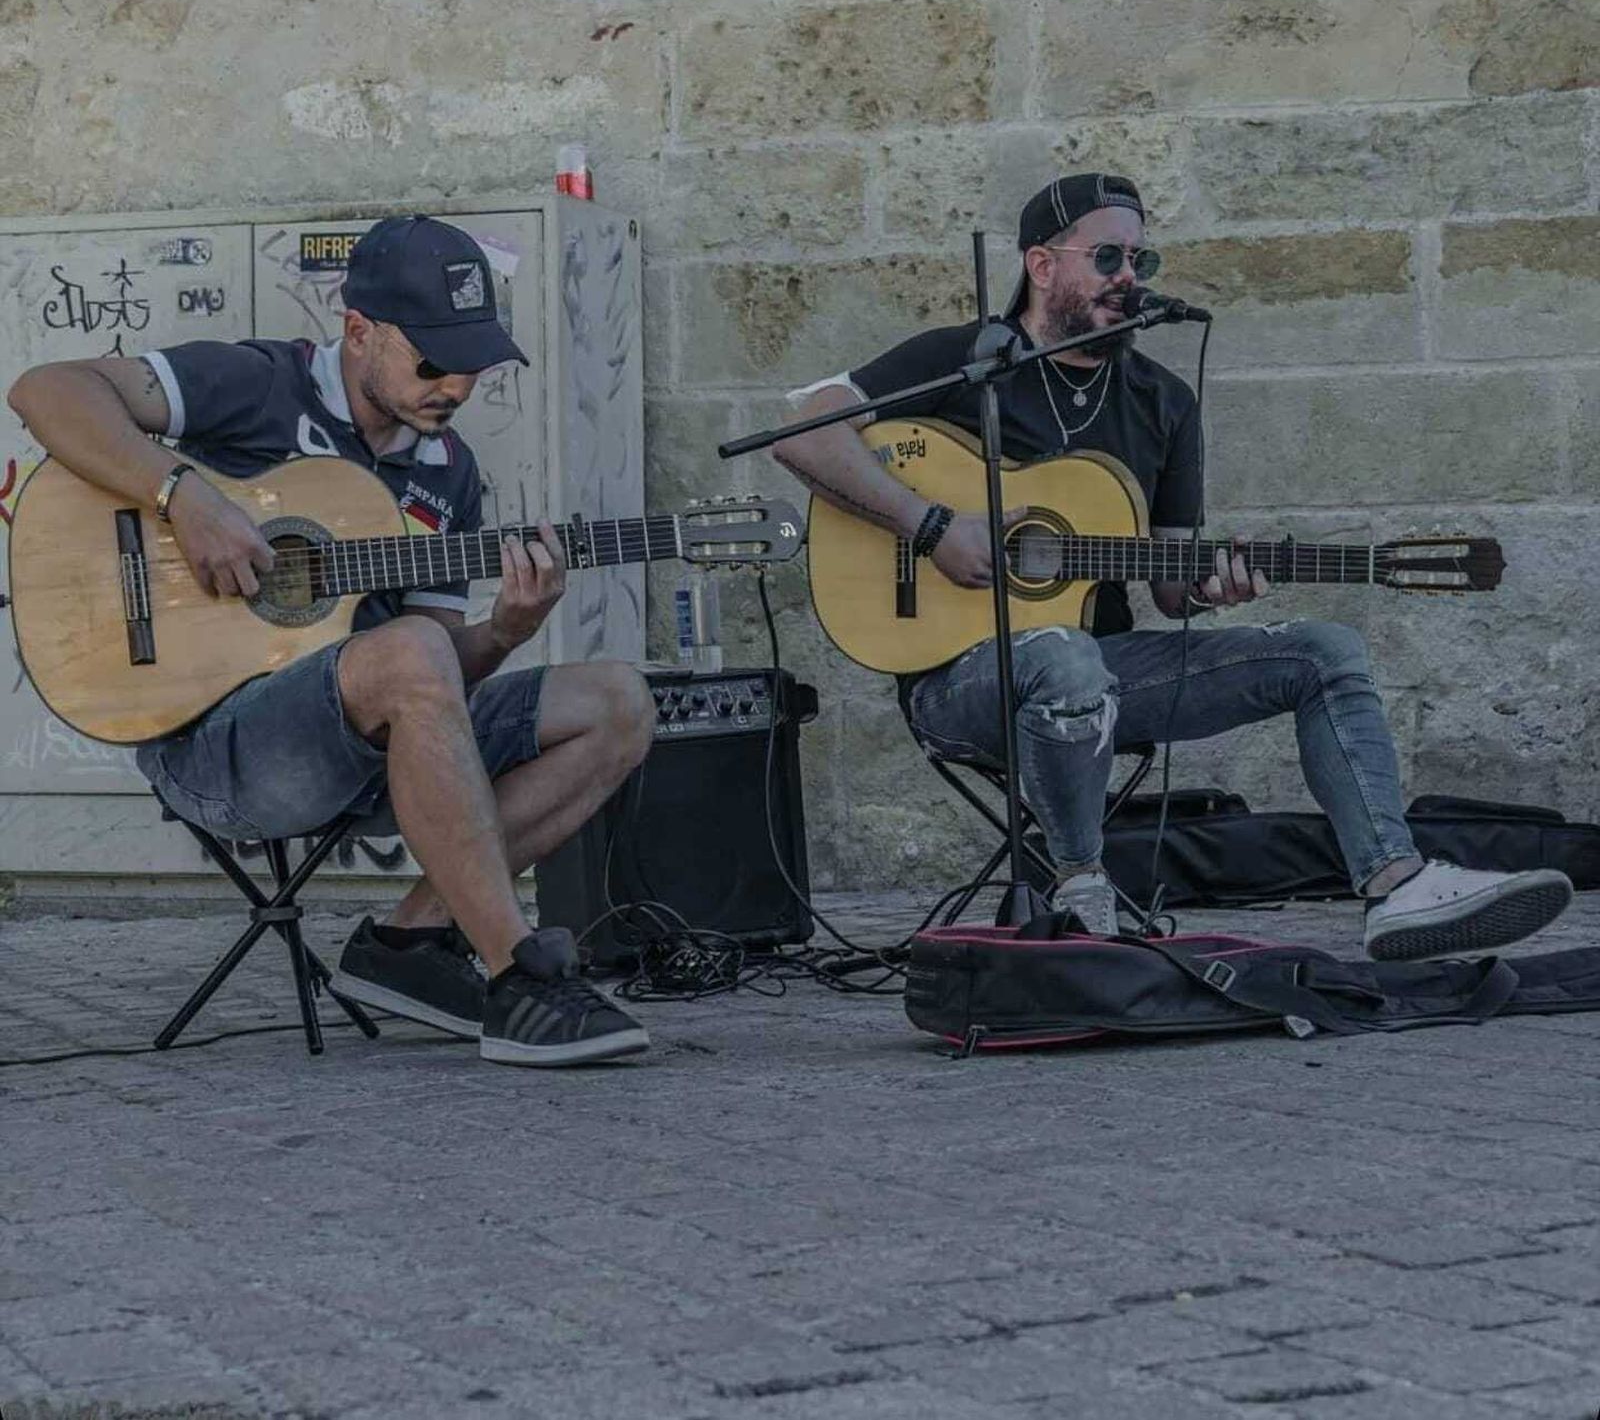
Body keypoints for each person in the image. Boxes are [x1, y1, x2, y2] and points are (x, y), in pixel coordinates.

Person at [772, 172, 1573, 957]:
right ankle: (1080, 882)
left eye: (1141, 262)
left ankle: (1395, 885)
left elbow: (1169, 583)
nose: (1130, 279)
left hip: (1106, 670)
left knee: (1326, 653)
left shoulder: (1162, 401)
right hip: (957, 682)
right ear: (1042, 264)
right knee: (1059, 653)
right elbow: (802, 433)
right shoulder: (963, 359)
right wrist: (932, 522)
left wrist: (1210, 585)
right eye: (1109, 259)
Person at [8, 215, 655, 1065]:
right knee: (412, 654)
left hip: (369, 749)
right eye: (432, 361)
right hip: (215, 741)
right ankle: (517, 975)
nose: (454, 387)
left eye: (472, 364)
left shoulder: (447, 473)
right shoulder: (257, 384)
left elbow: (433, 680)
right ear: (359, 332)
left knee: (618, 701)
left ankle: (411, 946)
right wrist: (184, 497)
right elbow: (45, 391)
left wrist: (505, 629)